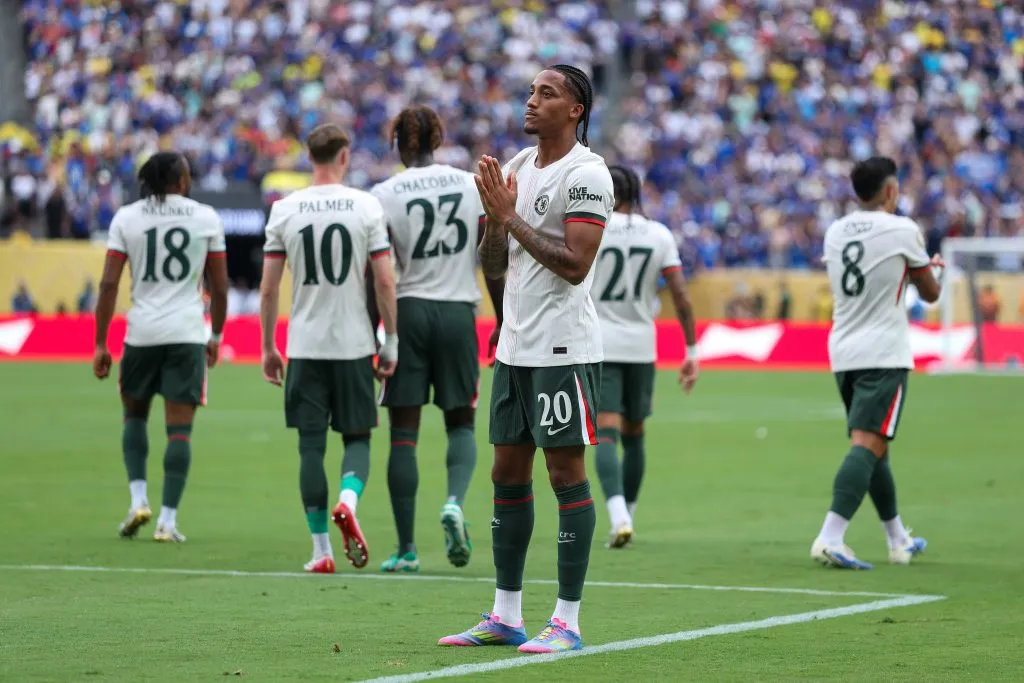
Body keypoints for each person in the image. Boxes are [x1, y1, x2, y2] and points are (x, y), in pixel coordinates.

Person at [438, 65, 613, 654]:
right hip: (515, 346)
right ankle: (505, 614)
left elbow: (576, 263)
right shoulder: (513, 168)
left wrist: (510, 216)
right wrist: (495, 217)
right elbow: (494, 261)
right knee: (506, 475)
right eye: (532, 92)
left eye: (548, 93)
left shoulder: (587, 173)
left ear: (576, 111)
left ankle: (567, 619)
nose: (532, 101)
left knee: (565, 475)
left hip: (564, 347)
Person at [370, 106, 505, 574]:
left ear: (398, 143)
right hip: (457, 309)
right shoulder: (470, 184)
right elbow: (492, 256)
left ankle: (406, 548)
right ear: (438, 139)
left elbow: (379, 271)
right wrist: (503, 317)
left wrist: (380, 333)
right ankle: (453, 502)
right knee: (461, 423)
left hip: (407, 310)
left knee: (403, 435)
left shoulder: (382, 193)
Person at [259, 123, 398, 574]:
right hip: (354, 342)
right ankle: (348, 500)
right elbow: (383, 280)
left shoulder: (285, 209)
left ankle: (321, 551)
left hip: (305, 344)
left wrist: (267, 347)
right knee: (357, 438)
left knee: (309, 448)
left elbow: (267, 289)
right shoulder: (365, 206)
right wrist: (390, 341)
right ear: (345, 156)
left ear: (309, 156)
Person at [811, 156, 943, 570]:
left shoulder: (836, 231)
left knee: (875, 448)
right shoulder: (903, 229)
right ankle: (830, 536)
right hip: (884, 350)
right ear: (890, 190)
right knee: (867, 444)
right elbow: (931, 293)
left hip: (843, 350)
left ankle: (897, 538)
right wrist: (929, 268)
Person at [93, 151, 229, 543]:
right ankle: (168, 522)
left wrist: (101, 342)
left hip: (142, 333)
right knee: (179, 431)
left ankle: (138, 500)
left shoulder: (127, 218)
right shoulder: (205, 217)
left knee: (134, 418)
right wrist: (216, 335)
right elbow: (219, 287)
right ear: (181, 181)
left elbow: (107, 285)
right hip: (186, 333)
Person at [591, 165, 698, 548]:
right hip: (641, 344)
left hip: (599, 341)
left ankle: (618, 515)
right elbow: (681, 297)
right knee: (635, 434)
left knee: (605, 432)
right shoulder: (659, 234)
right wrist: (691, 350)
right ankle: (629, 514)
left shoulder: (594, 228)